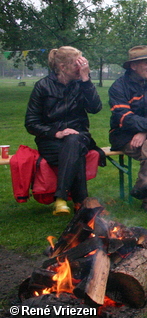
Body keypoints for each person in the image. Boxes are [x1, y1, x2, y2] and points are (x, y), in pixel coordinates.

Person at [25, 46, 102, 215]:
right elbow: (31, 123)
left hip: (79, 137)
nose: (81, 68)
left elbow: (95, 108)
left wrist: (86, 80)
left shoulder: (81, 84)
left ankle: (60, 197)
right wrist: (57, 133)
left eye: (82, 64)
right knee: (75, 153)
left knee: (74, 141)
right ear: (62, 67)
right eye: (77, 64)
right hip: (51, 141)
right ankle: (81, 205)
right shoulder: (43, 86)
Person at [109, 46, 147, 214]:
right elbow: (123, 117)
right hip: (123, 136)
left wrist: (144, 131)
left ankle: (142, 183)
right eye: (146, 63)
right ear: (133, 66)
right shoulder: (118, 87)